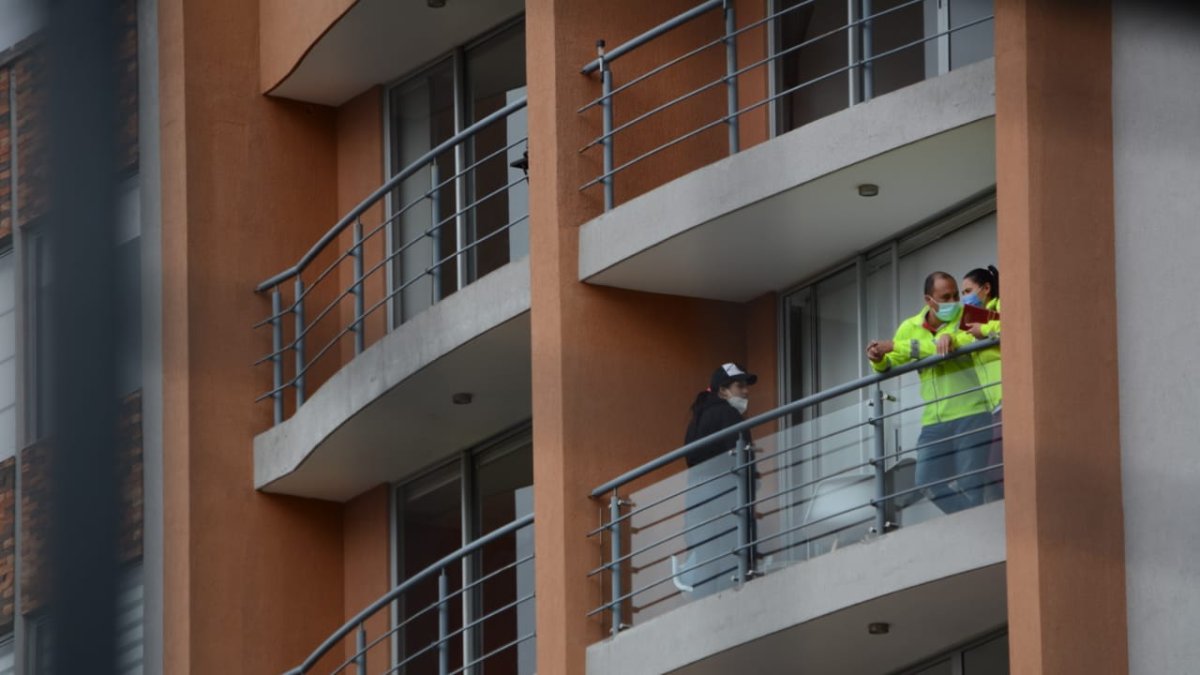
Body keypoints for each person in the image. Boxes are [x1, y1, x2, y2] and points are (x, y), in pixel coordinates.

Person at [865, 272, 993, 514]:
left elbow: (963, 341)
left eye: (956, 294)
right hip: (934, 421)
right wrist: (877, 358)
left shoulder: (969, 315)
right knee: (927, 482)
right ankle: (972, 524)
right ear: (929, 300)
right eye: (946, 297)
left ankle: (975, 531)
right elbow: (889, 362)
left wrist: (945, 339)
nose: (954, 300)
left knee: (970, 483)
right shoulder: (909, 327)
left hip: (972, 413)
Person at [672, 363, 756, 596]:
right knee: (732, 556)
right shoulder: (729, 414)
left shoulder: (696, 419)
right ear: (723, 390)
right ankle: (731, 607)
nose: (746, 391)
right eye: (740, 386)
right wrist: (751, 488)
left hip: (697, 498)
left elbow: (691, 459)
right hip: (726, 496)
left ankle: (705, 609)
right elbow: (742, 458)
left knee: (706, 560)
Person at [961, 265, 1003, 500]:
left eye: (968, 290)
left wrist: (985, 330)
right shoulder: (971, 319)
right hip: (994, 405)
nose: (964, 297)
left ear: (986, 288)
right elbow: (959, 340)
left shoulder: (1000, 305)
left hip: (1009, 399)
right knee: (995, 467)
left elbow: (1016, 325)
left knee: (997, 466)